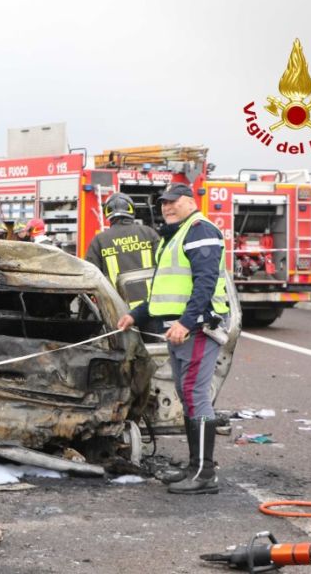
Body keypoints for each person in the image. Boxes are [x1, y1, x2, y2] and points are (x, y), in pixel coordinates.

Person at [116, 183, 230, 495]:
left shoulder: (199, 229)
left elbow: (205, 282)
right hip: (180, 330)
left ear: (190, 201)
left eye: (173, 201)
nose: (167, 207)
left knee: (195, 394)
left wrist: (187, 321)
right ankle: (195, 467)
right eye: (163, 203)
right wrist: (137, 315)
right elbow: (162, 292)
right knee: (187, 392)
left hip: (197, 329)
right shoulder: (175, 235)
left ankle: (205, 473)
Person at [85, 193, 160, 308]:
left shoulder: (99, 240)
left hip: (118, 309)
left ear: (108, 214)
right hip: (151, 306)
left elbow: (90, 276)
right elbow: (164, 265)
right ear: (131, 211)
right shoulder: (148, 233)